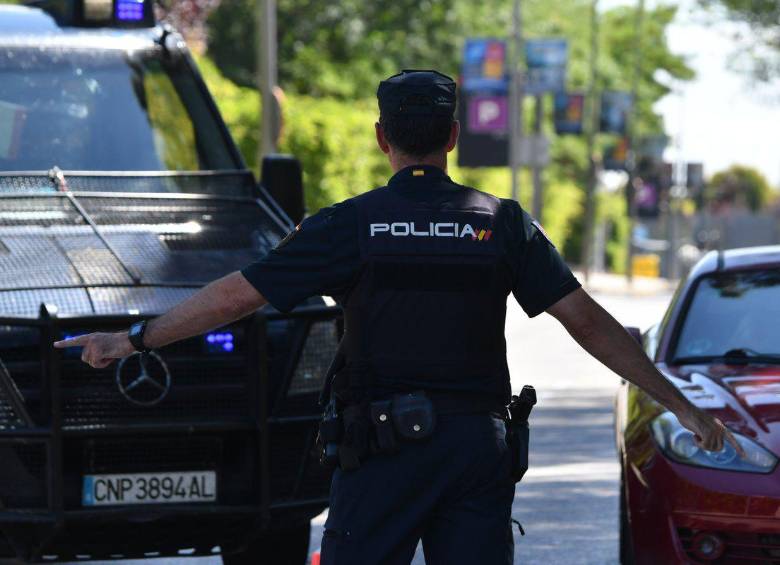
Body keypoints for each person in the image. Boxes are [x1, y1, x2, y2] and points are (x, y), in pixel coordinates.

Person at [55, 69, 742, 565]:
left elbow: (239, 295)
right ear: (452, 135)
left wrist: (136, 337)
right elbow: (588, 323)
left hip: (381, 452)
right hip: (477, 452)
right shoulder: (502, 225)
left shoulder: (348, 225)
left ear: (383, 137)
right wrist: (681, 404)